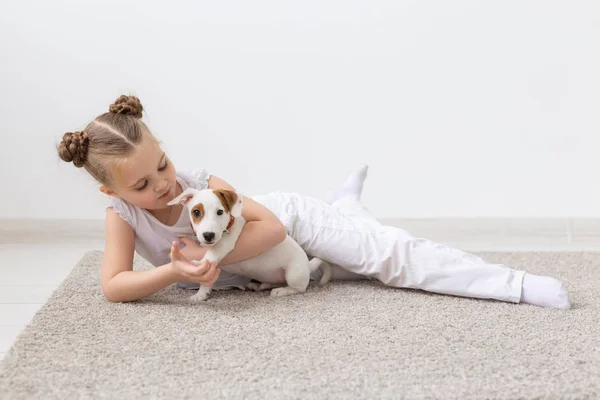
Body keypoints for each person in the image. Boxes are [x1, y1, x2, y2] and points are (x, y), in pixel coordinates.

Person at [57, 95, 571, 309]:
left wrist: (205, 257)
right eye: (142, 185)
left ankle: (516, 286)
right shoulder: (120, 216)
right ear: (113, 192)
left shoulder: (198, 181)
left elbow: (273, 229)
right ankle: (349, 208)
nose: (164, 187)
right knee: (350, 263)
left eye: (162, 166)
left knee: (385, 259)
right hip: (269, 270)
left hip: (288, 224)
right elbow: (113, 286)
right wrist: (175, 274)